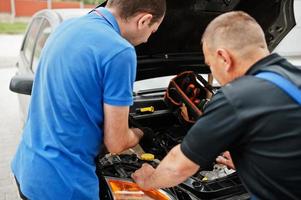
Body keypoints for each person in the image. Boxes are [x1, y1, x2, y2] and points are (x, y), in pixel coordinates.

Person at [132, 11, 301, 199]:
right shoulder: (293, 77)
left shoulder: (237, 97)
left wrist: (148, 179)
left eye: (210, 65)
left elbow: (178, 168)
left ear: (223, 58)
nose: (213, 72)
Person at [11, 0, 166, 199]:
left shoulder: (67, 27)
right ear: (144, 20)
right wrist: (142, 133)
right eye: (153, 31)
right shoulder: (120, 51)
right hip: (65, 186)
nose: (147, 40)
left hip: (28, 168)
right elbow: (116, 143)